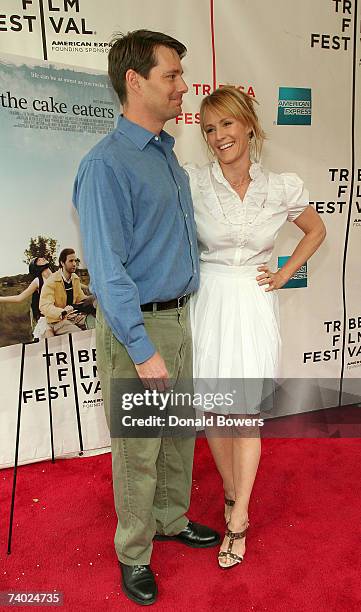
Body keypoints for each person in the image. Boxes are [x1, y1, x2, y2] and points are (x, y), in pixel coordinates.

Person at [72, 30, 219, 607]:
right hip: (142, 329)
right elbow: (107, 271)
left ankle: (170, 520)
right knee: (139, 449)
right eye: (172, 76)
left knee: (178, 437)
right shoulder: (107, 165)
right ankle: (134, 554)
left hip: (180, 319)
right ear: (135, 82)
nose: (184, 87)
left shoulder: (165, 153)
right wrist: (140, 346)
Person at [185, 86, 326, 569]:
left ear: (247, 124)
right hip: (210, 299)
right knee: (215, 413)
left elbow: (316, 230)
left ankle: (239, 517)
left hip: (253, 300)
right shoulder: (193, 183)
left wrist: (284, 274)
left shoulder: (281, 186)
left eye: (226, 124)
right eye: (208, 129)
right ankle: (229, 491)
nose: (219, 136)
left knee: (245, 416)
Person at [39, 248, 92, 335]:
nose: (74, 264)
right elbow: (45, 306)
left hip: (73, 316)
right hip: (57, 321)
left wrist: (93, 300)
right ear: (62, 263)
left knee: (97, 324)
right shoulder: (51, 281)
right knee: (79, 334)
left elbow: (80, 298)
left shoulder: (75, 278)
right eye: (71, 261)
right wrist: (62, 312)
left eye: (75, 261)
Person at [0, 257, 54, 339]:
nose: (42, 258)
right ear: (35, 267)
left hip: (60, 313)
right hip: (46, 317)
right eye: (38, 260)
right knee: (49, 335)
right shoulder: (38, 281)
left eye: (41, 258)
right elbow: (19, 298)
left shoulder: (57, 276)